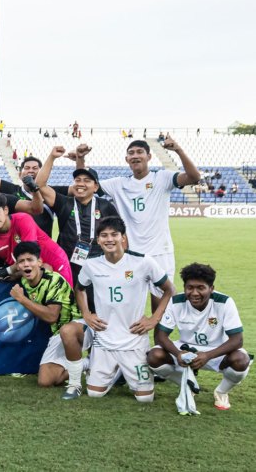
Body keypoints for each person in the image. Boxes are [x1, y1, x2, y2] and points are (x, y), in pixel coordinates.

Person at [76, 217, 174, 402]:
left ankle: (124, 369)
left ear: (123, 237)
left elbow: (169, 290)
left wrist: (154, 319)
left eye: (114, 234)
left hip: (134, 341)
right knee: (95, 394)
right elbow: (79, 289)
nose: (109, 239)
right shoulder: (91, 264)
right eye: (104, 235)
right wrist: (86, 314)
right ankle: (108, 370)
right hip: (104, 341)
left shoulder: (143, 262)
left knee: (145, 399)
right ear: (98, 240)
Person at [98, 139, 198, 303]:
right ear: (126, 159)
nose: (135, 156)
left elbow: (194, 177)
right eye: (131, 153)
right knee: (129, 306)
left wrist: (178, 150)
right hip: (131, 254)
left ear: (149, 156)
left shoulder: (162, 177)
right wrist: (81, 159)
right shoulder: (118, 184)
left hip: (160, 252)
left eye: (140, 152)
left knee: (160, 305)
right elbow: (88, 186)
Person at [147, 263, 249, 411]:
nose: (194, 293)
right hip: (186, 349)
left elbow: (237, 340)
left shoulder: (224, 302)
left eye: (201, 288)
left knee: (241, 359)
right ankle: (189, 384)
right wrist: (178, 353)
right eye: (190, 287)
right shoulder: (176, 302)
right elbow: (161, 336)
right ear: (184, 287)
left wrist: (208, 355)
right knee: (154, 356)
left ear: (211, 288)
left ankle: (221, 392)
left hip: (216, 351)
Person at [8, 242, 90, 399]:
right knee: (45, 381)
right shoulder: (25, 280)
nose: (26, 264)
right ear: (17, 266)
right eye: (21, 261)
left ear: (39, 262)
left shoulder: (54, 280)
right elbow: (11, 275)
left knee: (67, 330)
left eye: (30, 260)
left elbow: (52, 317)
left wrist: (22, 299)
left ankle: (77, 381)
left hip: (78, 327)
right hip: (59, 333)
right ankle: (88, 362)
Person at [34, 147, 120, 283]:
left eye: (87, 180)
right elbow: (39, 185)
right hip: (67, 265)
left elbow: (119, 234)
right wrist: (52, 157)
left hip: (98, 264)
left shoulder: (105, 206)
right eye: (77, 180)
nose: (81, 184)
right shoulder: (64, 203)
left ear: (96, 187)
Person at [0, 191, 72, 285]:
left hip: (54, 262)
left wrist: (5, 272)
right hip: (27, 270)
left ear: (5, 210)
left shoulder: (23, 220)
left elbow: (29, 255)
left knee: (64, 295)